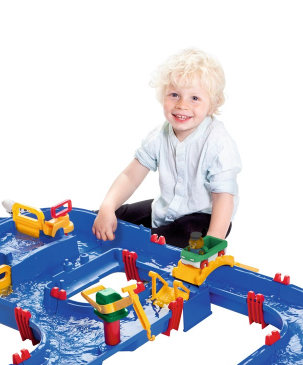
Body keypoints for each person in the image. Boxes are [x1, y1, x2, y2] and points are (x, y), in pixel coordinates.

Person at [92, 48, 241, 248]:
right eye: (174, 95)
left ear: (213, 104)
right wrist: (108, 207)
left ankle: (142, 244)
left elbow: (223, 197)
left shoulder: (219, 143)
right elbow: (130, 176)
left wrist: (213, 242)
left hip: (206, 219)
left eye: (194, 98)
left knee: (181, 232)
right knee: (116, 215)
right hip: (167, 208)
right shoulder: (159, 135)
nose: (182, 105)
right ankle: (98, 227)